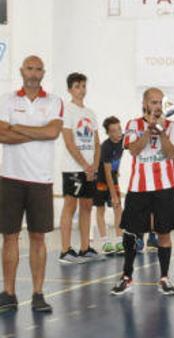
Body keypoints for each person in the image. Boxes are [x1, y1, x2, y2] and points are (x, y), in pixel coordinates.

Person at [0, 55, 63, 314]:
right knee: (9, 237)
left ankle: (38, 294)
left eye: (38, 69)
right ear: (21, 70)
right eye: (29, 68)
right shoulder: (7, 100)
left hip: (40, 180)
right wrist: (37, 131)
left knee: (38, 238)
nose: (33, 73)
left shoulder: (55, 101)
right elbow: (2, 135)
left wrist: (18, 128)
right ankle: (9, 293)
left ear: (43, 72)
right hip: (10, 179)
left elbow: (53, 133)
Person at [110, 87, 174, 296]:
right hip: (139, 187)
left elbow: (169, 154)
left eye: (160, 102)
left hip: (164, 186)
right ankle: (126, 276)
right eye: (152, 102)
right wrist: (148, 130)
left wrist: (161, 131)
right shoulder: (133, 124)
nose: (157, 106)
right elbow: (133, 150)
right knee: (131, 231)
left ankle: (164, 277)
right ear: (144, 104)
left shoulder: (173, 126)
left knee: (164, 232)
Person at [58, 72, 101, 263]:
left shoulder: (90, 113)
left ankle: (85, 248)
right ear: (69, 89)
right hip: (73, 168)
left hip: (90, 169)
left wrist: (94, 166)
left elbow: (97, 143)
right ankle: (66, 251)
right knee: (70, 205)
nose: (81, 90)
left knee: (87, 206)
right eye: (77, 86)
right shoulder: (67, 111)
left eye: (83, 86)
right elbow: (68, 142)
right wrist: (84, 165)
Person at [95, 116, 125, 255]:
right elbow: (106, 173)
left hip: (113, 177)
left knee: (118, 208)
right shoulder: (105, 147)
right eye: (113, 130)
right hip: (101, 179)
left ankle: (119, 241)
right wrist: (113, 195)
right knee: (101, 209)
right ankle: (105, 242)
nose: (118, 133)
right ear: (108, 133)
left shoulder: (123, 139)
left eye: (119, 129)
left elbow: (118, 158)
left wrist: (117, 171)